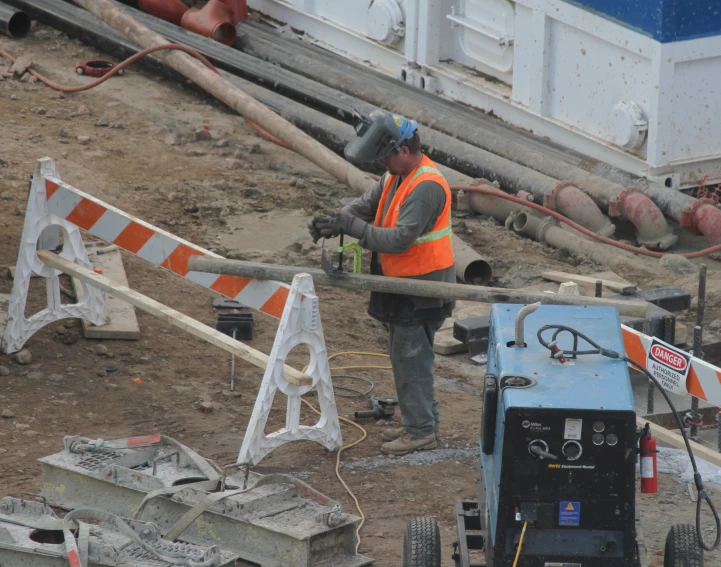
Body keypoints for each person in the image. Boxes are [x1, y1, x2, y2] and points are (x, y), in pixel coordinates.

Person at [308, 110, 455, 456]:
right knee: (407, 358)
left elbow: (400, 239)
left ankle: (420, 432)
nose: (382, 164)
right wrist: (338, 220)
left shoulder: (425, 187)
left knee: (411, 360)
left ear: (404, 150)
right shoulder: (396, 176)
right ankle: (421, 423)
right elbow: (366, 205)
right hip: (402, 284)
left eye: (385, 156)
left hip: (421, 289)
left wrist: (352, 228)